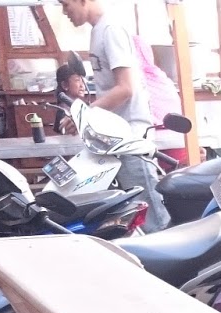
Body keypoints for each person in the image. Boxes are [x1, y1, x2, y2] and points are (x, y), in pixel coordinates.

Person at [58, 0, 170, 230]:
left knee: (152, 220)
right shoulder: (98, 31)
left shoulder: (111, 29)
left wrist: (84, 115)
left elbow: (126, 88)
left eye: (66, 5)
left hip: (130, 138)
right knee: (128, 219)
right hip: (112, 139)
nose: (64, 12)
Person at [54, 59, 87, 134]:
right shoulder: (63, 111)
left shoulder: (81, 106)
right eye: (77, 80)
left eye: (83, 80)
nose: (82, 85)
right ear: (65, 85)